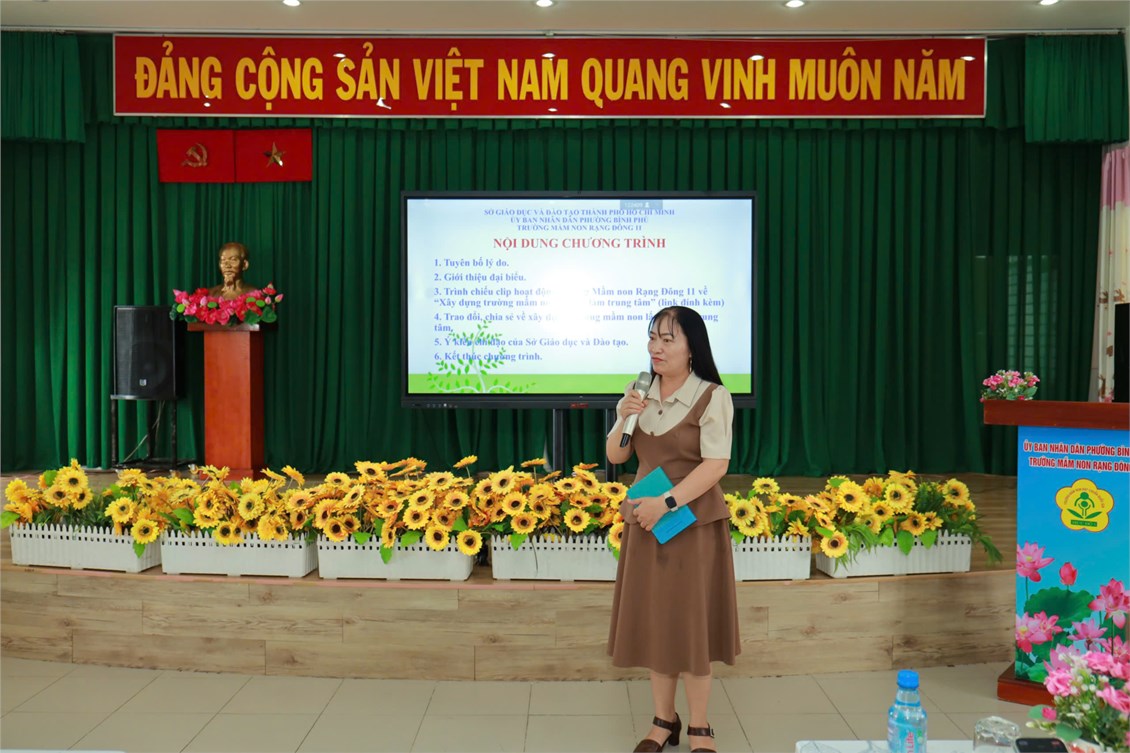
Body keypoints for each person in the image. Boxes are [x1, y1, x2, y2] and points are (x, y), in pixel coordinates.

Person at [606, 306, 739, 753]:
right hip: (647, 522)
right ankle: (664, 721)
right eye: (652, 338)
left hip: (691, 522)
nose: (656, 348)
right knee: (658, 622)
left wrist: (666, 503)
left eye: (667, 339)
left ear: (691, 348)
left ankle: (700, 726)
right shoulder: (639, 390)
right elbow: (617, 455)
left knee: (691, 625)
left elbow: (716, 465)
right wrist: (623, 414)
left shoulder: (712, 396)